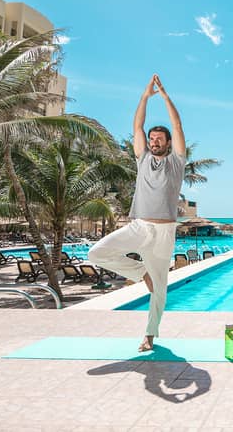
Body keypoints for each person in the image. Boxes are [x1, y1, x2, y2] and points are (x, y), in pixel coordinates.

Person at [89, 74, 187, 352]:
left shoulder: (177, 163)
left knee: (160, 290)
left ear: (168, 143)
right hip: (139, 226)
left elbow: (178, 125)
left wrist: (166, 97)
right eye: (152, 139)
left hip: (164, 232)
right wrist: (145, 97)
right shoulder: (142, 158)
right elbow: (137, 126)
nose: (154, 142)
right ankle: (138, 270)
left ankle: (149, 335)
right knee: (95, 253)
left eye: (159, 139)